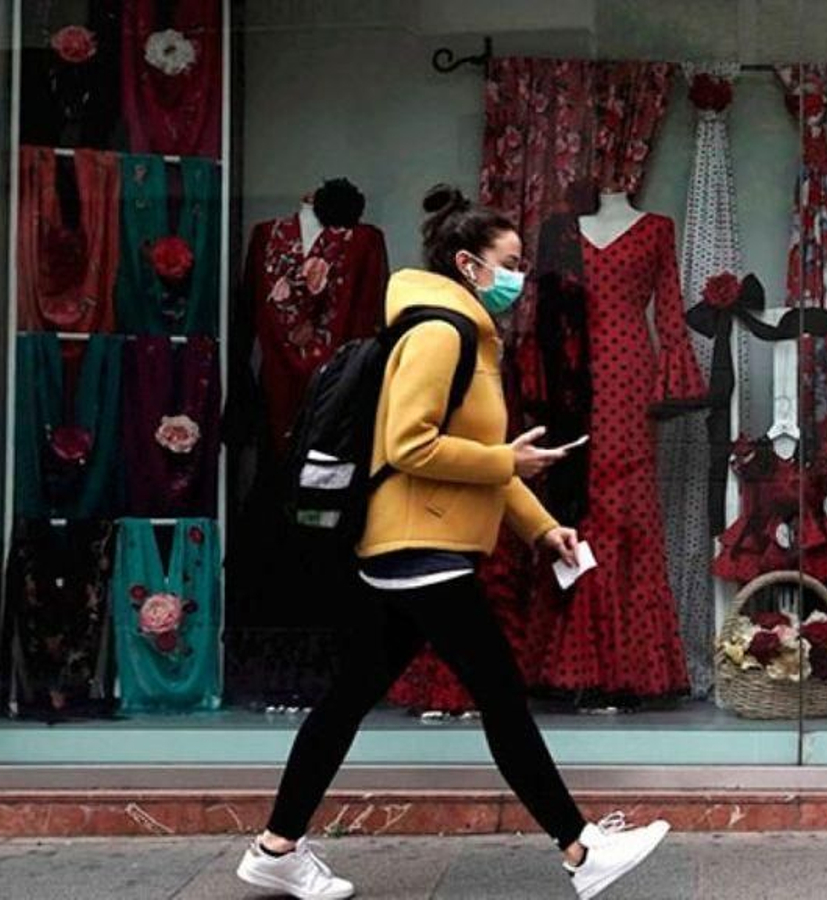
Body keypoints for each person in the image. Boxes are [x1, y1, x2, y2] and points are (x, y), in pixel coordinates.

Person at [236, 185, 669, 900]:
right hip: (419, 548)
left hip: (417, 548)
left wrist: (541, 526)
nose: (522, 276)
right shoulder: (441, 334)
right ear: (468, 264)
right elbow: (411, 445)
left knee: (347, 700)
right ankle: (581, 848)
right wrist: (508, 462)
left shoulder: (466, 335)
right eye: (511, 261)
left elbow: (480, 453)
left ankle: (277, 846)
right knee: (501, 695)